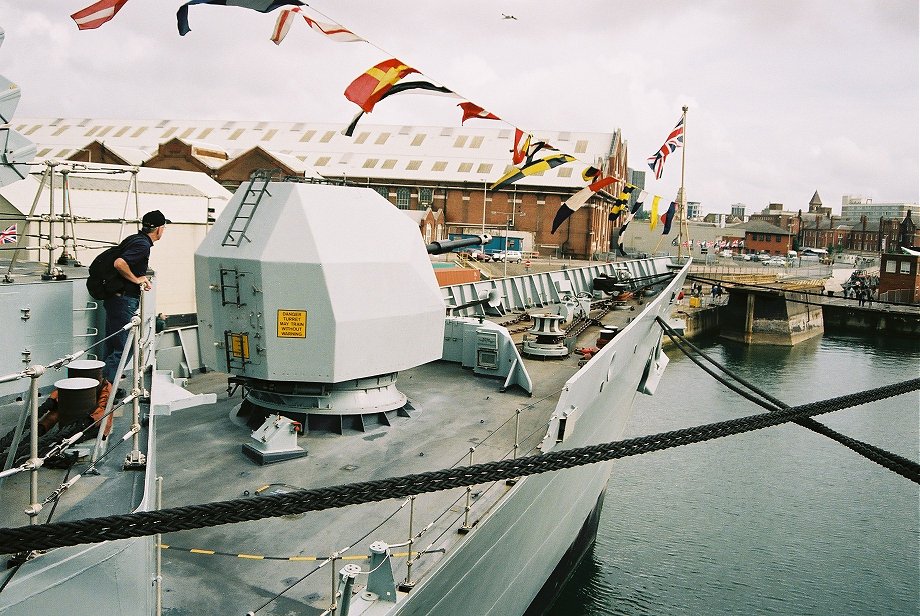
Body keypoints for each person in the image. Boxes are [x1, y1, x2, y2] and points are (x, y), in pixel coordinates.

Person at [102, 210, 170, 384]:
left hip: (115, 299)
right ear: (159, 229)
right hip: (124, 301)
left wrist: (139, 277)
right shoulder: (143, 245)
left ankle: (102, 386)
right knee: (124, 348)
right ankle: (106, 389)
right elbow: (120, 263)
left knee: (112, 346)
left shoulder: (134, 239)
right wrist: (137, 280)